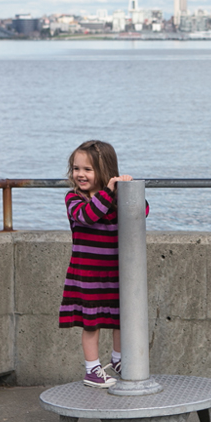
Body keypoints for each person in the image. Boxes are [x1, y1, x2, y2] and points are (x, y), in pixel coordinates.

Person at [59, 140, 149, 388]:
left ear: (105, 170)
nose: (80, 175)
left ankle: (118, 360)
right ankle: (92, 369)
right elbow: (88, 216)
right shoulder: (74, 199)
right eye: (76, 169)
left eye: (88, 169)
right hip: (87, 273)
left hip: (114, 271)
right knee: (92, 323)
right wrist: (108, 192)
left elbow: (141, 211)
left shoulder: (115, 200)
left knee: (119, 318)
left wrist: (127, 192)